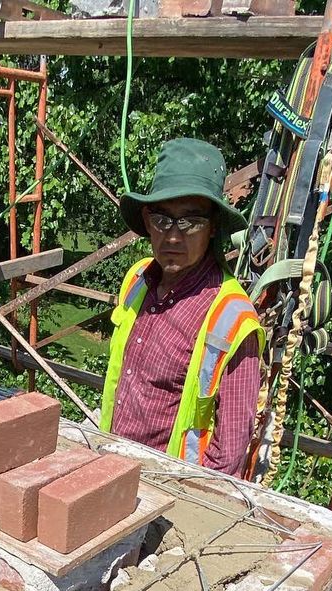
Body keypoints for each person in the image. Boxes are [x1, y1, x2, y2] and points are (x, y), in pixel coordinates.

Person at [100, 138, 264, 478]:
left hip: (169, 491)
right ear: (146, 220)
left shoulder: (232, 318)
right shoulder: (137, 282)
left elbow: (231, 448)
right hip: (111, 465)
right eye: (161, 220)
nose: (173, 237)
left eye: (190, 222)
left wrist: (188, 501)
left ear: (214, 225)